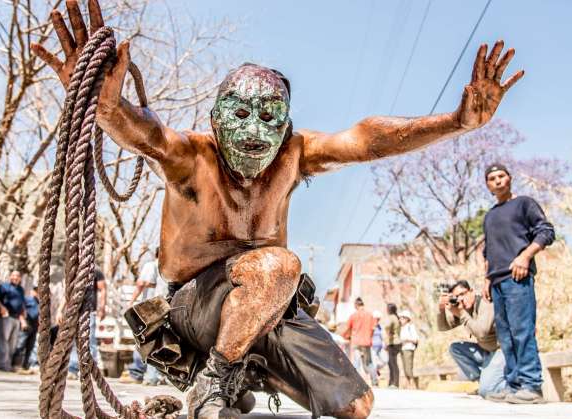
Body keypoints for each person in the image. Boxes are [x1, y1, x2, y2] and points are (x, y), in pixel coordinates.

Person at [33, 2, 523, 416]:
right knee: (277, 264)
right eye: (240, 114)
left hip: (269, 307)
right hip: (193, 309)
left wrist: (456, 122)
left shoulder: (294, 155)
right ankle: (217, 378)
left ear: (287, 125)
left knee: (356, 405)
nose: (253, 130)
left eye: (269, 117)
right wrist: (106, 106)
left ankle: (243, 372)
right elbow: (145, 132)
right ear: (216, 119)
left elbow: (368, 139)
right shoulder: (190, 157)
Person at [482, 163, 555, 404]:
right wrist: (486, 279)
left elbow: (546, 231)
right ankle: (514, 386)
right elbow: (488, 250)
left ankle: (532, 386)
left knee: (522, 331)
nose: (498, 181)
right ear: (488, 185)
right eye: (492, 178)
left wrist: (525, 256)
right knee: (506, 335)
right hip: (497, 281)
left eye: (501, 176)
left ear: (509, 178)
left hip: (518, 277)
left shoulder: (524, 203)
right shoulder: (490, 215)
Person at [436, 280, 506, 399]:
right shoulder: (465, 308)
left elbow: (481, 332)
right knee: (455, 348)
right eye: (457, 297)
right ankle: (481, 380)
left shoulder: (486, 302)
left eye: (463, 294)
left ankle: (515, 385)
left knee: (486, 391)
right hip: (486, 351)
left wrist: (461, 313)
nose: (461, 299)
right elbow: (443, 327)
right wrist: (441, 309)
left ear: (472, 291)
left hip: (501, 350)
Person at [121, 251, 164, 385]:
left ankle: (138, 373)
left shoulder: (151, 265)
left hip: (150, 307)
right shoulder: (168, 267)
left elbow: (141, 283)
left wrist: (131, 301)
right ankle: (154, 375)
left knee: (144, 339)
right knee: (159, 341)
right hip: (164, 305)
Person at [66, 269, 106, 378]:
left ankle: (90, 369)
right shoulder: (74, 272)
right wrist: (62, 309)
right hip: (75, 310)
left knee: (90, 340)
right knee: (75, 341)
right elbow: (68, 292)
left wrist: (102, 307)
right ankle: (73, 368)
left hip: (90, 311)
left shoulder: (97, 273)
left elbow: (103, 289)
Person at [0, 270, 27, 372]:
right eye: (13, 275)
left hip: (16, 318)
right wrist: (1, 308)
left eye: (17, 276)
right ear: (10, 277)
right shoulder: (4, 286)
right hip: (6, 317)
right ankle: (1, 364)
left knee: (12, 343)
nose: (15, 277)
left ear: (20, 278)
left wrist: (22, 319)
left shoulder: (21, 289)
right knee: (3, 341)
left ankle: (7, 364)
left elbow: (21, 305)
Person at [342, 297, 377, 384]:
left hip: (356, 342)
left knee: (356, 362)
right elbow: (373, 329)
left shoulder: (353, 316)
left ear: (356, 305)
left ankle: (356, 382)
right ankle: (374, 381)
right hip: (366, 342)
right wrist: (370, 338)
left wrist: (344, 336)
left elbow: (347, 329)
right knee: (368, 362)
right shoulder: (370, 315)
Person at [13, 286, 40, 371]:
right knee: (21, 344)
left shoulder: (39, 302)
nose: (37, 292)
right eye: (36, 290)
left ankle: (25, 366)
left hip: (35, 325)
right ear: (33, 291)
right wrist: (23, 321)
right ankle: (16, 364)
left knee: (30, 346)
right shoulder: (27, 299)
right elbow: (21, 310)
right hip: (27, 323)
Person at [399, 310, 419, 389]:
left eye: (402, 318)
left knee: (408, 367)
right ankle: (408, 384)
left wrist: (407, 339)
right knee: (404, 367)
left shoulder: (411, 327)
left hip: (409, 348)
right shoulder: (401, 328)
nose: (400, 319)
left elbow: (415, 339)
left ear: (407, 318)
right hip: (403, 348)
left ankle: (412, 384)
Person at [383, 304, 402, 388]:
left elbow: (387, 326)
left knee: (392, 363)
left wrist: (388, 333)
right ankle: (391, 382)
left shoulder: (391, 317)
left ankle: (395, 383)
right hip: (396, 342)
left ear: (389, 309)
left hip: (393, 342)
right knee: (391, 362)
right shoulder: (396, 317)